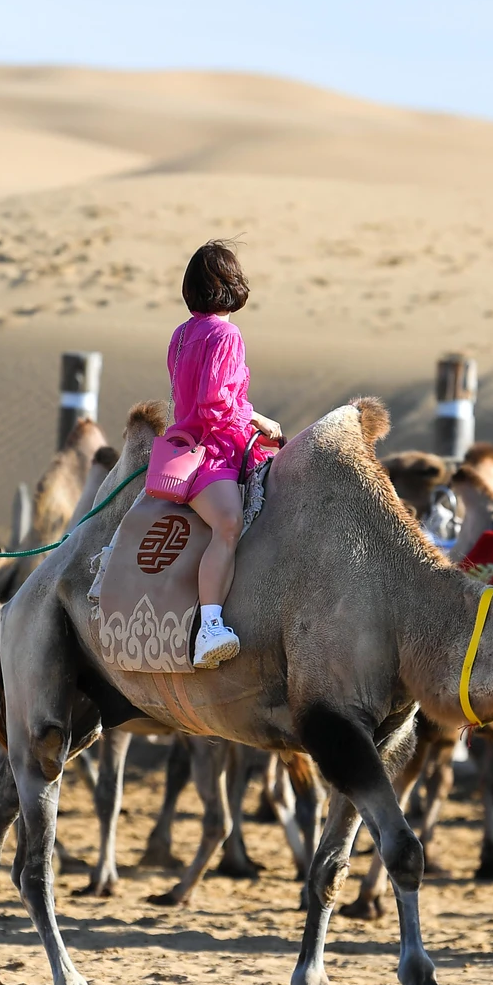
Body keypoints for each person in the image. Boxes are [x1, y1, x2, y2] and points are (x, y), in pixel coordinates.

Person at [166, 241, 280, 669]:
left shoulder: (181, 335)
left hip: (185, 447)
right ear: (231, 284)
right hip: (212, 455)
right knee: (229, 525)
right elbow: (216, 405)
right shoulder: (226, 334)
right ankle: (210, 627)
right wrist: (259, 422)